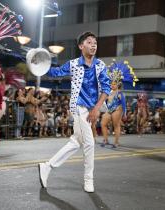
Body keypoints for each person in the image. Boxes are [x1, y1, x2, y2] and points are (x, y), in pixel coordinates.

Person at [38, 31, 111, 193]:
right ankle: (88, 180)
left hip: (92, 108)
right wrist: (38, 63)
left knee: (76, 142)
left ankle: (47, 166)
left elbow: (106, 88)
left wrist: (97, 108)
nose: (93, 45)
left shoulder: (100, 65)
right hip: (79, 107)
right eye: (89, 42)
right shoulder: (73, 64)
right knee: (90, 143)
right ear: (81, 46)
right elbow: (55, 73)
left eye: (95, 43)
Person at [101, 81, 126, 148]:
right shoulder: (109, 93)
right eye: (111, 84)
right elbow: (106, 102)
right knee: (103, 124)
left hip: (117, 109)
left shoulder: (120, 93)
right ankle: (106, 140)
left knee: (116, 125)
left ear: (117, 85)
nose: (112, 85)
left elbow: (123, 103)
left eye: (114, 84)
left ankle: (116, 142)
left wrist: (124, 113)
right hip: (109, 110)